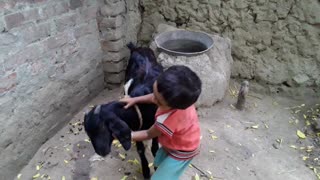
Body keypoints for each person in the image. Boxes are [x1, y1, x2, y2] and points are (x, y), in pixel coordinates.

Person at [120, 65, 202, 180]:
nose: (153, 100)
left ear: (172, 106)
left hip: (182, 152)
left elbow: (148, 134)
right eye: (154, 92)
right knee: (159, 164)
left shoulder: (167, 121)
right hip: (177, 140)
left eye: (158, 101)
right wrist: (135, 99)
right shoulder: (180, 101)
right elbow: (154, 96)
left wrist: (122, 136)